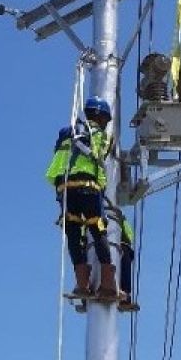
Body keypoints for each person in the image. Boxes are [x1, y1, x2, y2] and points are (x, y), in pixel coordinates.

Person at [45, 96, 117, 299]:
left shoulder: (66, 133)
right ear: (101, 116)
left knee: (74, 236)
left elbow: (58, 154)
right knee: (97, 229)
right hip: (88, 187)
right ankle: (107, 283)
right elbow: (101, 156)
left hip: (65, 188)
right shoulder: (102, 136)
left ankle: (82, 284)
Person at [104, 200, 139, 313]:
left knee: (124, 258)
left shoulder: (120, 220)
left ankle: (124, 294)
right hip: (100, 244)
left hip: (120, 246)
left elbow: (129, 236)